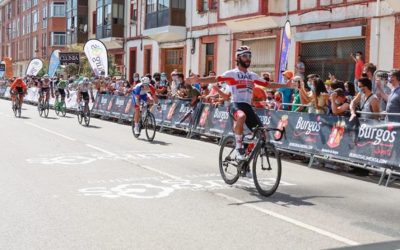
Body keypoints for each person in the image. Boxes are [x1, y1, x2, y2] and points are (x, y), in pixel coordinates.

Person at [186, 46, 292, 166]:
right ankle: (238, 147)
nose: (248, 59)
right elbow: (215, 78)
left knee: (263, 135)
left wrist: (286, 85)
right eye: (245, 56)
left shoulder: (252, 75)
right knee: (241, 117)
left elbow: (268, 84)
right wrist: (199, 79)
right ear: (238, 58)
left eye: (249, 56)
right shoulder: (232, 73)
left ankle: (245, 164)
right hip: (235, 104)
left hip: (248, 106)